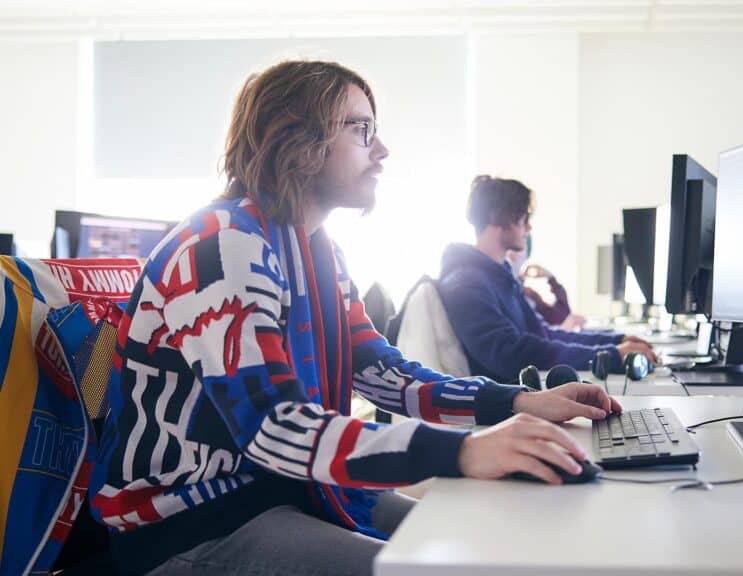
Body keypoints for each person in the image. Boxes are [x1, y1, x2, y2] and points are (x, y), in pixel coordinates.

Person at [88, 60, 622, 576]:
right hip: (195, 523)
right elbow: (274, 427)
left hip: (286, 490)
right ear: (297, 138)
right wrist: (460, 451)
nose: (382, 150)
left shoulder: (316, 248)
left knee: (490, 542)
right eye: (362, 130)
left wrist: (515, 401)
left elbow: (383, 373)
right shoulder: (222, 246)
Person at [438, 175, 656, 383]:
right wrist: (611, 356)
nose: (528, 228)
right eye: (524, 219)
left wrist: (616, 342)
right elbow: (512, 354)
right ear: (497, 217)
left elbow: (544, 335)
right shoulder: (466, 283)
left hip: (530, 392)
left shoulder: (498, 276)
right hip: (510, 406)